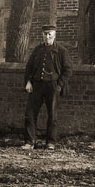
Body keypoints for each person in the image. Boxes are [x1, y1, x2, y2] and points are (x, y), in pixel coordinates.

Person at [22, 20, 73, 150]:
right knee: (30, 114)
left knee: (52, 115)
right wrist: (28, 81)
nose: (47, 37)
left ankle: (50, 142)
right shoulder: (37, 50)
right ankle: (30, 141)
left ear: (55, 35)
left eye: (50, 34)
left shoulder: (61, 51)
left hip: (53, 86)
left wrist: (59, 85)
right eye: (45, 34)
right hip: (37, 86)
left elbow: (68, 70)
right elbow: (29, 67)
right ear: (42, 35)